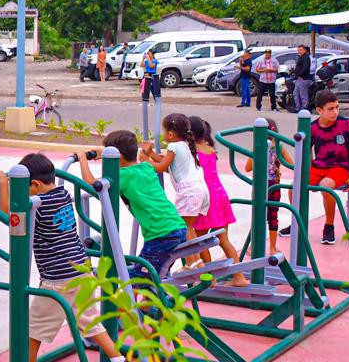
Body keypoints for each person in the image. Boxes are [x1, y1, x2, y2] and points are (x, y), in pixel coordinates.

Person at [0, 152, 132, 362]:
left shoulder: (40, 206)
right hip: (81, 269)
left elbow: (10, 212)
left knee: (34, 324)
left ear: (33, 185)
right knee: (89, 320)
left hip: (59, 278)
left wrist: (5, 183)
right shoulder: (63, 194)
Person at [101, 130, 189, 278]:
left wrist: (83, 159)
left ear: (118, 157)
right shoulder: (146, 167)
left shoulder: (122, 176)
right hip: (178, 227)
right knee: (154, 276)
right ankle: (154, 299)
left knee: (137, 279)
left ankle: (145, 300)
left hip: (160, 235)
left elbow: (94, 184)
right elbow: (148, 163)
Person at [281, 90, 349, 245]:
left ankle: (329, 226)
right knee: (294, 186)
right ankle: (297, 223)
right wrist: (308, 168)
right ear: (319, 110)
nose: (336, 112)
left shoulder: (347, 124)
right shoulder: (311, 127)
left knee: (326, 185)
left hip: (341, 167)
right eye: (331, 109)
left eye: (337, 107)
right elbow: (306, 150)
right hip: (319, 166)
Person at [140, 113, 208, 261]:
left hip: (188, 192)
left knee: (185, 228)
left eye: (164, 131)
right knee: (188, 227)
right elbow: (169, 165)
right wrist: (151, 154)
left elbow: (161, 167)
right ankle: (196, 261)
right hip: (198, 190)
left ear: (170, 134)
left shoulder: (173, 146)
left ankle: (193, 262)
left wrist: (145, 161)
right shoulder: (184, 145)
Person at [189, 116, 245, 286]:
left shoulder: (192, 154)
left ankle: (210, 278)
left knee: (200, 241)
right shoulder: (209, 149)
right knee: (223, 239)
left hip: (206, 199)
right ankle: (239, 277)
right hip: (220, 196)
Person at [246, 117, 292, 255]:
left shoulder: (260, 146)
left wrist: (256, 152)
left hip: (262, 185)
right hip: (274, 185)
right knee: (273, 215)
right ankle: (272, 247)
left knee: (258, 215)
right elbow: (291, 164)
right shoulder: (279, 146)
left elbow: (248, 167)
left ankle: (256, 246)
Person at [292, 45, 313, 112]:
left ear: (304, 50)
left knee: (303, 94)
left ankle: (304, 108)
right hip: (298, 79)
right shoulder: (300, 57)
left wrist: (299, 74)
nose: (299, 51)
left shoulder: (306, 58)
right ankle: (298, 107)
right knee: (295, 94)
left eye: (301, 50)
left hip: (304, 78)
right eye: (298, 50)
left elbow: (305, 68)